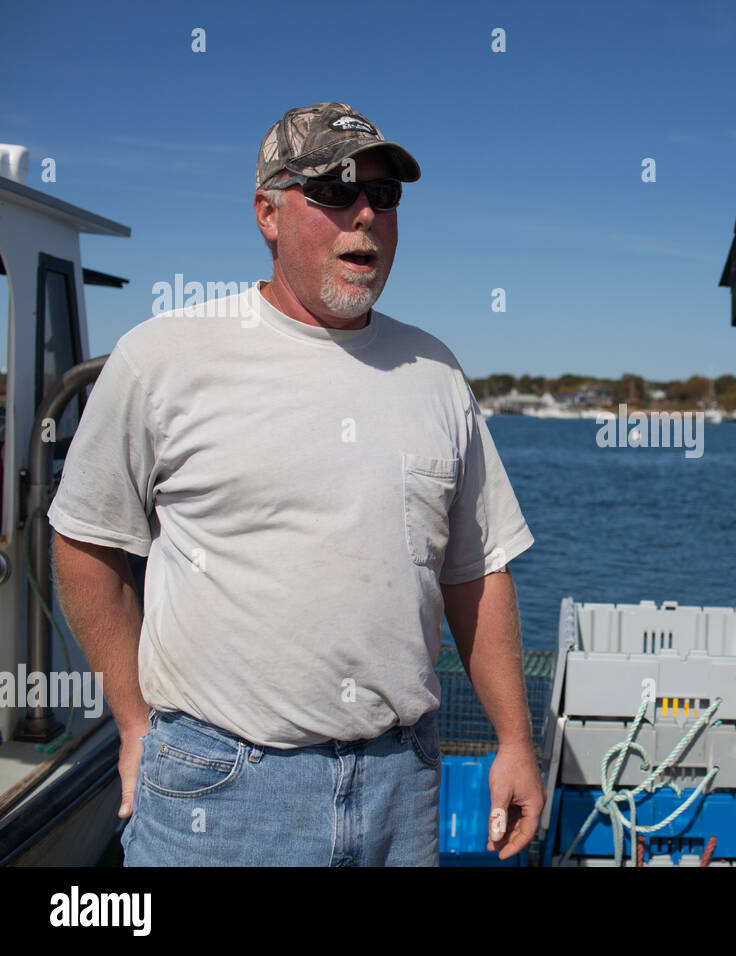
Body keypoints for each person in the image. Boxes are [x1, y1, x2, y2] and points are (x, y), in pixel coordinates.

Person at [47, 102, 542, 865]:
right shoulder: (162, 359)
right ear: (267, 213)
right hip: (218, 792)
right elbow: (85, 540)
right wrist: (136, 719)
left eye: (385, 195)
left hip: (401, 790)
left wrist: (514, 739)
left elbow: (475, 569)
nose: (367, 215)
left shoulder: (435, 372)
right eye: (335, 191)